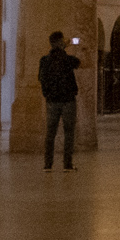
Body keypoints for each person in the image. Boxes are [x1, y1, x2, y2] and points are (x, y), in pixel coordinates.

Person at [37, 30, 81, 172]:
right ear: (60, 42)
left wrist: (47, 94)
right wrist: (65, 48)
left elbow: (41, 78)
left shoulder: (45, 60)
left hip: (52, 102)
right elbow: (77, 62)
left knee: (50, 133)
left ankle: (47, 164)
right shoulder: (66, 59)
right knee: (69, 133)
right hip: (68, 101)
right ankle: (67, 164)